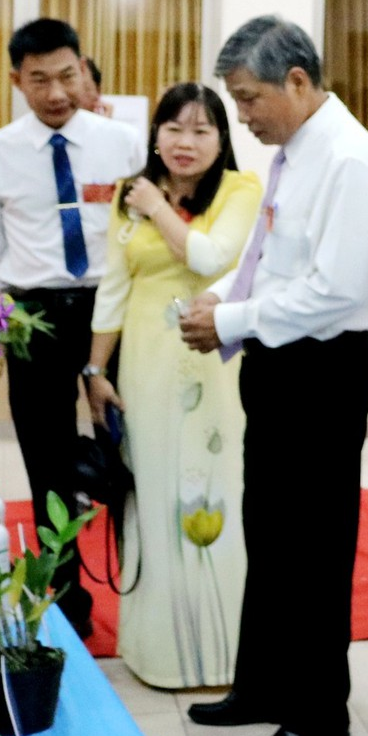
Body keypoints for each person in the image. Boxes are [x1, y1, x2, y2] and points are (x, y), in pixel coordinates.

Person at [176, 16, 368, 736]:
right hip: (276, 361)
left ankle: (317, 713)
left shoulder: (348, 158)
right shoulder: (295, 153)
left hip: (321, 371)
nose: (244, 116)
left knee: (312, 547)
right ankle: (263, 686)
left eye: (249, 98)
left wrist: (233, 317)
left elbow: (340, 291)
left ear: (297, 81)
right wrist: (222, 309)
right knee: (269, 531)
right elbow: (272, 262)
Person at [0, 18, 144, 636]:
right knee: (45, 458)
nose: (56, 92)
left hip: (109, 312)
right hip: (33, 314)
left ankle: (140, 588)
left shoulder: (122, 143)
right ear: (17, 80)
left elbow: (139, 235)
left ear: (84, 69)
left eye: (67, 75)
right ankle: (66, 600)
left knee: (127, 450)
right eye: (39, 80)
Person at [86, 83, 261, 689]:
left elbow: (213, 257)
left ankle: (225, 654)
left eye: (201, 130)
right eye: (174, 128)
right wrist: (94, 371)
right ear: (155, 133)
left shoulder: (242, 191)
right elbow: (113, 285)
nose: (185, 143)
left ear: (222, 138)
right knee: (151, 491)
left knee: (214, 493)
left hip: (214, 362)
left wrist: (158, 207)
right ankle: (156, 650)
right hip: (144, 364)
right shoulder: (124, 197)